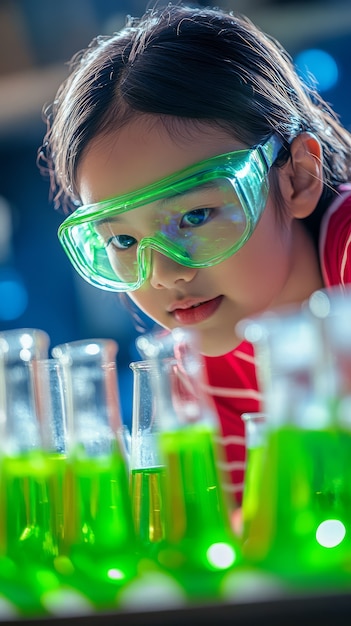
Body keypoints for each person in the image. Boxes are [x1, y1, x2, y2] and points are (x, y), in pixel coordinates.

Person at [38, 2, 351, 508]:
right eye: (122, 241)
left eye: (196, 217)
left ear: (297, 177)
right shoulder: (192, 375)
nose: (163, 273)